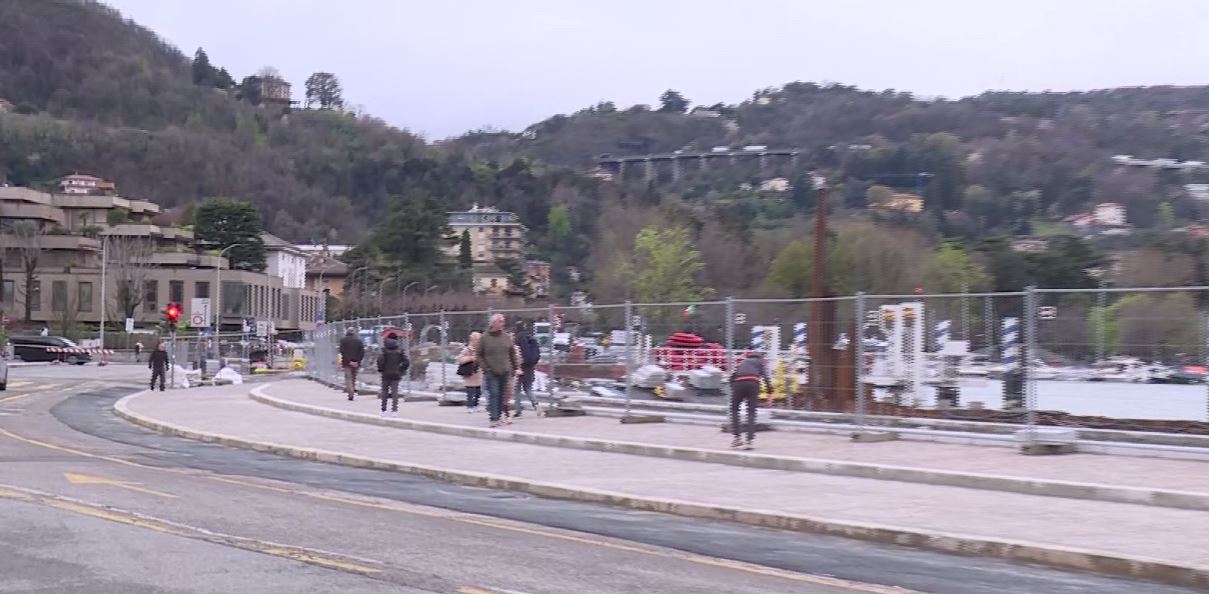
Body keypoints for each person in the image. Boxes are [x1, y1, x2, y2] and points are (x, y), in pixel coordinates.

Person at [476, 313, 518, 428]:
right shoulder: (485, 338)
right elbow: (479, 355)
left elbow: (512, 353)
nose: (502, 324)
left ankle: (499, 416)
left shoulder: (506, 337)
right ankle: (493, 418)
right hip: (491, 371)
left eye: (503, 321)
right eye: (500, 321)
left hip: (505, 370)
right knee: (494, 394)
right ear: (493, 323)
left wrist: (516, 367)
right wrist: (486, 368)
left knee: (501, 395)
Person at [730, 351, 771, 450]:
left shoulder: (744, 362)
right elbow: (766, 377)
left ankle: (737, 438)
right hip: (753, 383)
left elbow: (732, 377)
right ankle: (749, 441)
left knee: (734, 409)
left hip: (738, 383)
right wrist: (770, 393)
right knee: (751, 412)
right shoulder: (761, 362)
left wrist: (734, 389)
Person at [376, 333, 410, 418]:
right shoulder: (400, 350)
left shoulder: (384, 350)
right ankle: (394, 410)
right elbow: (406, 362)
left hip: (386, 373)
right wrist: (401, 369)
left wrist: (381, 369)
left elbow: (380, 361)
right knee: (395, 392)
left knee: (385, 392)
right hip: (396, 373)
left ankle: (384, 410)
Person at [512, 321, 541, 417]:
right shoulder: (531, 338)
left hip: (520, 367)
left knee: (517, 389)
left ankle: (518, 409)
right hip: (530, 367)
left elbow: (515, 354)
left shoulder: (517, 339)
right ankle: (536, 404)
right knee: (528, 388)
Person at [457, 332, 483, 412]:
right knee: (470, 392)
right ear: (472, 340)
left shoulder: (481, 350)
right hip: (469, 374)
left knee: (478, 392)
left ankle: (476, 404)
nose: (477, 342)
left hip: (478, 374)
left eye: (478, 340)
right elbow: (460, 359)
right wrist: (471, 358)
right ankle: (470, 406)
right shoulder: (467, 349)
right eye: (475, 340)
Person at [339, 328, 366, 401]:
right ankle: (353, 389)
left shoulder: (343, 340)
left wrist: (349, 361)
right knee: (354, 377)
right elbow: (362, 352)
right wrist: (357, 361)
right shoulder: (359, 341)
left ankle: (350, 393)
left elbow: (342, 352)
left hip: (347, 363)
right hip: (356, 363)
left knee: (348, 378)